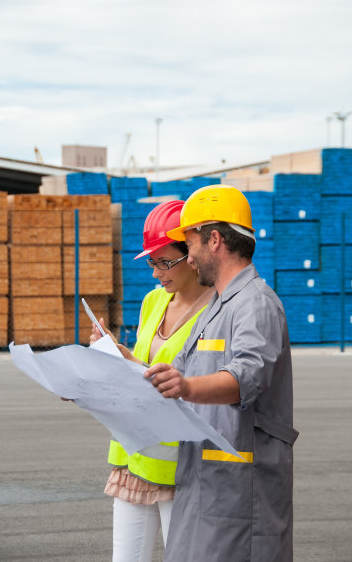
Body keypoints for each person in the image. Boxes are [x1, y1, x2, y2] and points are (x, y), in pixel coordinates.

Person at [144, 184, 299, 562]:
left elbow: (247, 376)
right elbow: (175, 375)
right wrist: (105, 372)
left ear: (214, 240)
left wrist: (187, 387)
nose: (189, 257)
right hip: (206, 483)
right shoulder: (216, 306)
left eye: (191, 243)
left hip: (241, 492)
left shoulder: (255, 303)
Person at [89, 200, 214, 562]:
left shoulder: (217, 311)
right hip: (134, 453)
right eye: (151, 260)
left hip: (179, 462)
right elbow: (145, 365)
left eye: (165, 260)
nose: (156, 271)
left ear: (191, 254)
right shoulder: (153, 301)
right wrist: (113, 353)